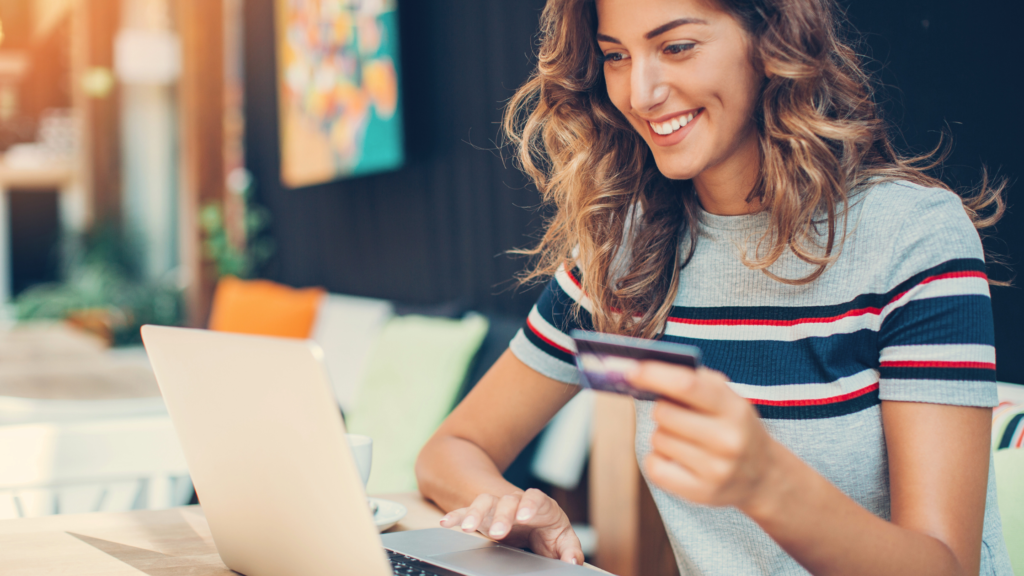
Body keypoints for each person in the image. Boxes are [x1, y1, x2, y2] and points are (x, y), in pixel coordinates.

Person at [415, 0, 1014, 573]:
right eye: (616, 56)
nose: (641, 93)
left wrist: (770, 484)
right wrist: (512, 508)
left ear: (771, 42)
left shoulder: (910, 236)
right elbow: (453, 448)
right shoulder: (625, 256)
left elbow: (947, 568)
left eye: (676, 47)